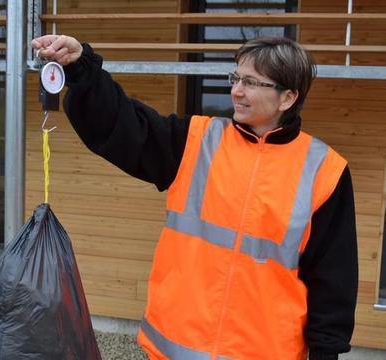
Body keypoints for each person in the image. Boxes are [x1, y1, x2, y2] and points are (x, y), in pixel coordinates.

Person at [31, 35, 358, 360]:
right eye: (236, 78)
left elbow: (333, 282)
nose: (236, 91)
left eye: (251, 82)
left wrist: (325, 354)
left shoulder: (324, 172)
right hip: (175, 351)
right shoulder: (196, 141)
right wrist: (81, 68)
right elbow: (121, 124)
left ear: (287, 97)